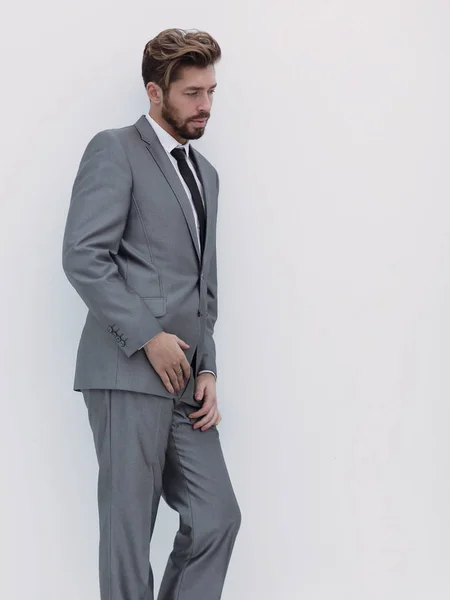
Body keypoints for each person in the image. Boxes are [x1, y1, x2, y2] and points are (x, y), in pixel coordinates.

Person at [62, 28, 241, 600]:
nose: (206, 106)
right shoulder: (115, 149)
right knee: (127, 531)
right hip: (125, 371)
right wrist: (148, 337)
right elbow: (83, 257)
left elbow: (202, 286)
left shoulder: (205, 174)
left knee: (217, 516)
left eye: (211, 90)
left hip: (187, 381)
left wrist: (207, 368)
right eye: (192, 93)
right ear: (154, 92)